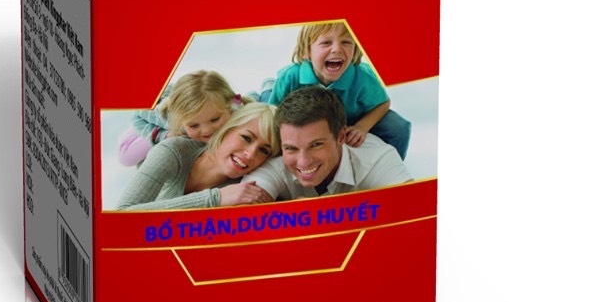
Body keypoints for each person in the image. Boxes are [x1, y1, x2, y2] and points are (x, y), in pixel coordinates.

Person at [270, 21, 412, 159]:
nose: (337, 49)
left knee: (398, 127)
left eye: (346, 42)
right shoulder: (291, 76)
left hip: (352, 116)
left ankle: (392, 165)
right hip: (311, 117)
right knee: (267, 116)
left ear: (355, 49)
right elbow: (273, 110)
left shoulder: (363, 79)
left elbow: (383, 103)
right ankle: (268, 86)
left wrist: (362, 126)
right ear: (307, 51)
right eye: (326, 43)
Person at [247, 86, 412, 199]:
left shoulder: (377, 157)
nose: (303, 161)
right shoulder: (274, 162)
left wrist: (323, 213)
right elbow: (244, 213)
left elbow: (415, 206)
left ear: (341, 137)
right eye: (291, 148)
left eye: (316, 145)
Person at [116, 102, 277, 210]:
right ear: (226, 129)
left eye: (264, 150)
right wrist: (215, 199)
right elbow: (121, 215)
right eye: (246, 138)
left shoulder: (243, 190)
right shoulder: (175, 151)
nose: (251, 154)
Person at [117, 70, 248, 167]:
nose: (207, 130)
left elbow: (252, 97)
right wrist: (161, 135)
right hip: (155, 116)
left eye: (214, 119)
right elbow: (137, 116)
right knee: (126, 158)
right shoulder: (170, 118)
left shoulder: (235, 108)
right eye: (194, 125)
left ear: (229, 107)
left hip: (183, 102)